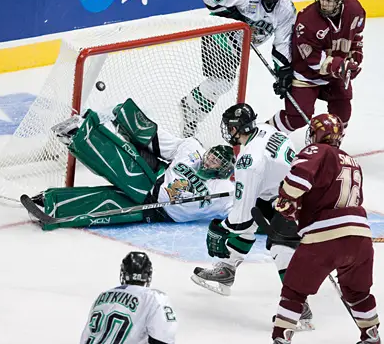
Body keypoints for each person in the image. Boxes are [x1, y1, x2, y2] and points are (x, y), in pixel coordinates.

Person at [190, 103, 313, 329]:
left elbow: (242, 217)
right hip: (286, 192)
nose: (227, 131)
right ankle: (227, 270)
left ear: (237, 128)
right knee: (255, 215)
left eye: (229, 126)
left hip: (297, 201)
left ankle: (300, 308)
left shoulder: (249, 161)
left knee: (280, 248)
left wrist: (222, 228)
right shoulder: (268, 130)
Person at [30, 98, 235, 229]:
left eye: (216, 160)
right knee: (126, 159)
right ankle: (80, 132)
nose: (209, 159)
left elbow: (243, 212)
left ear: (223, 169)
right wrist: (132, 122)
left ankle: (49, 202)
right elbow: (161, 142)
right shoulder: (193, 150)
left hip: (157, 208)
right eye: (211, 154)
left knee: (106, 201)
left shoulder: (225, 191)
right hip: (154, 174)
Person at [271, 113, 379, 344]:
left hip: (325, 237)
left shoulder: (316, 151)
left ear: (315, 133)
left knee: (294, 291)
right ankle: (371, 335)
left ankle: (281, 337)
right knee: (357, 292)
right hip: (360, 237)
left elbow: (297, 182)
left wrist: (285, 198)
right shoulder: (353, 161)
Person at [180, 0, 296, 137]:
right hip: (220, 33)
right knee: (222, 82)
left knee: (220, 84)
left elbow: (282, 44)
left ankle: (191, 110)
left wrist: (283, 72)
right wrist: (230, 13)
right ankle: (189, 112)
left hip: (238, 46)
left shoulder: (286, 9)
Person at [269, 0, 366, 133]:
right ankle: (266, 133)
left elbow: (356, 34)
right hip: (307, 76)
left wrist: (355, 55)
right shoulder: (307, 21)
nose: (325, 3)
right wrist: (342, 66)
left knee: (342, 112)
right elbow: (314, 62)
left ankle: (329, 146)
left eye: (330, 0)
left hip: (335, 74)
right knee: (297, 118)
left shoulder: (354, 9)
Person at [80, 251, 177, 344]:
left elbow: (86, 337)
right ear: (148, 275)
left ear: (124, 273)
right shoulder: (155, 298)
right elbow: (163, 339)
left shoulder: (102, 297)